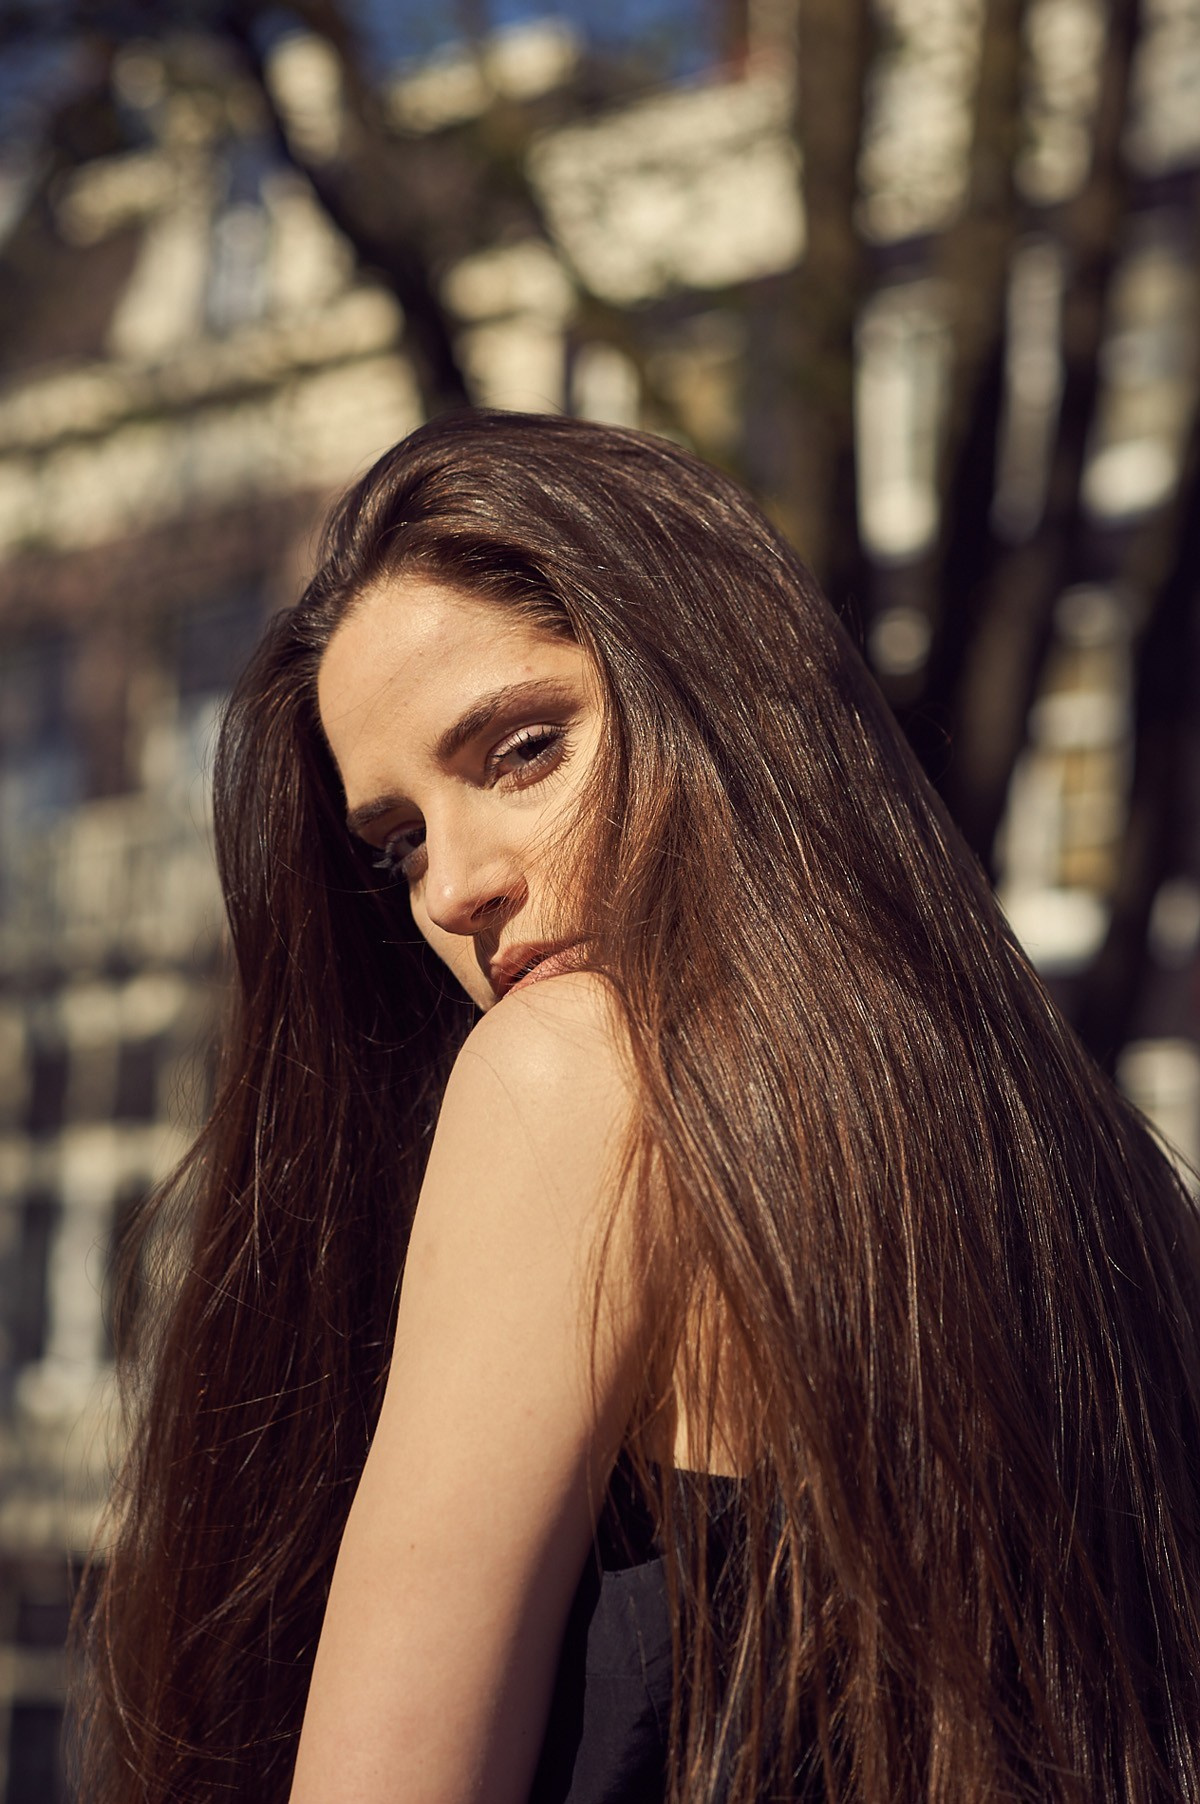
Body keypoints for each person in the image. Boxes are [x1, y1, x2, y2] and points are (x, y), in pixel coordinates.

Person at [72, 410, 1200, 1804]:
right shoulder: (1112, 1195)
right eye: (400, 841)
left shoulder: (569, 1072)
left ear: (721, 693)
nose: (450, 888)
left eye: (524, 749)